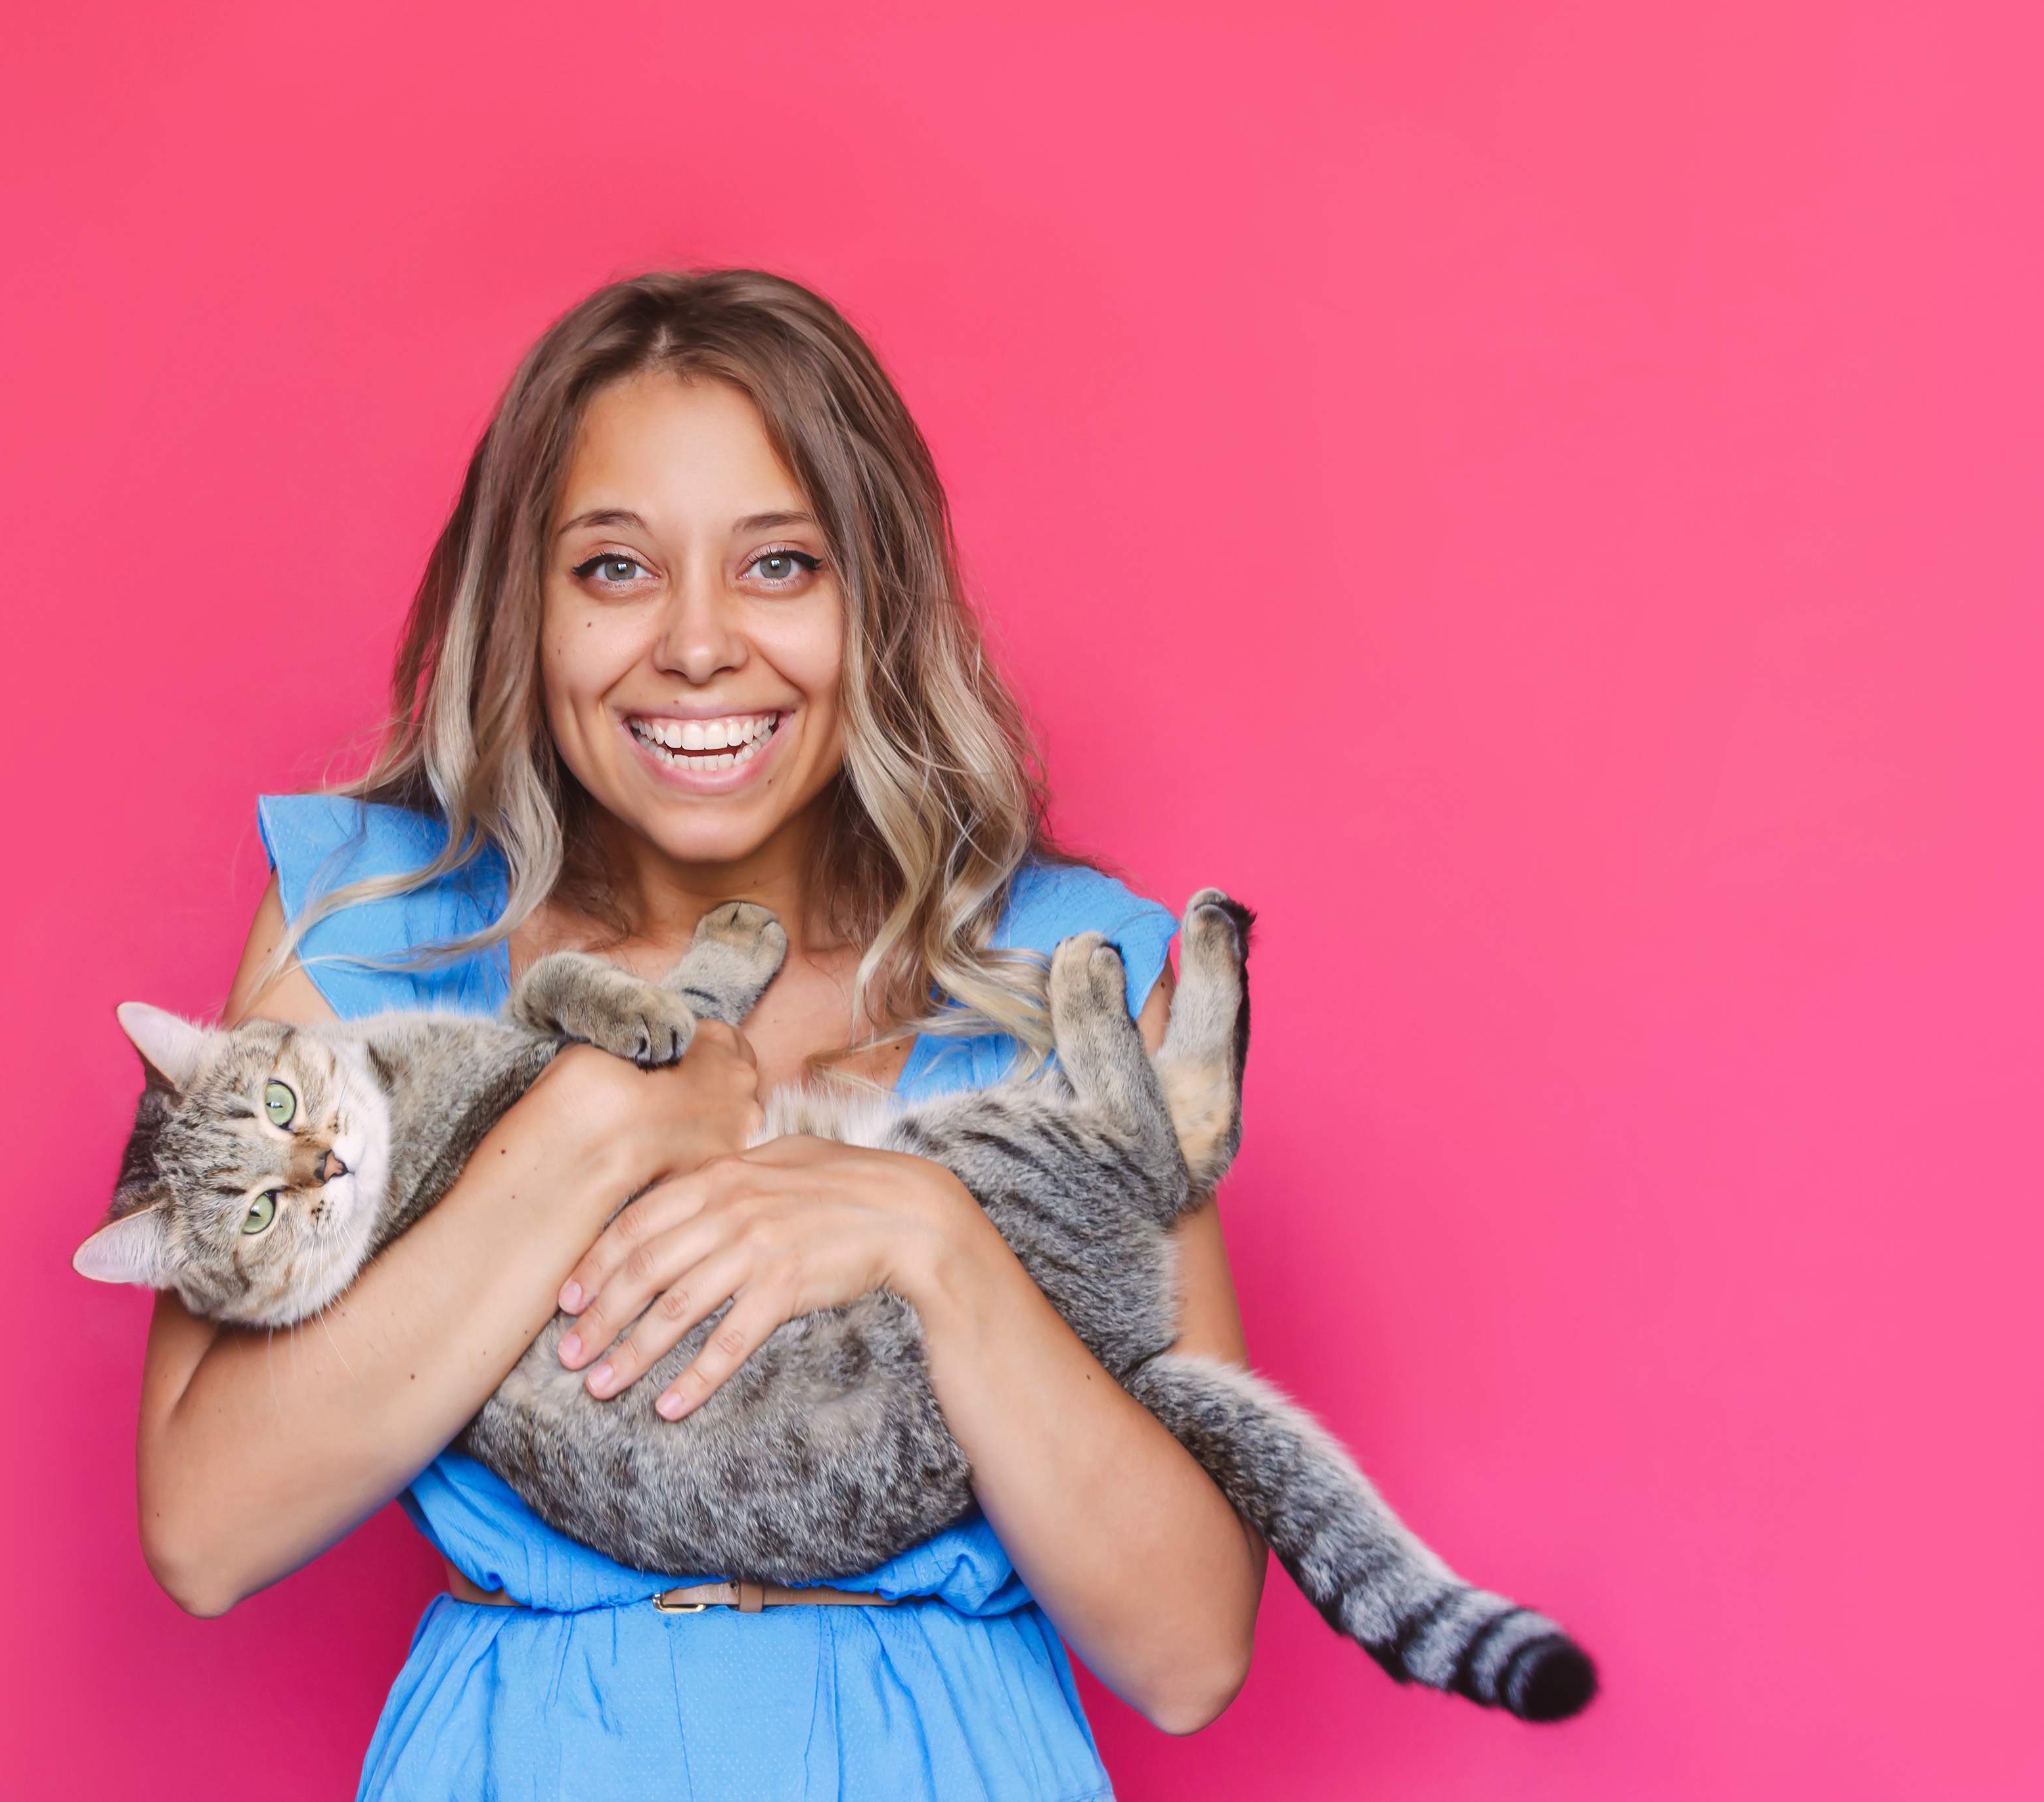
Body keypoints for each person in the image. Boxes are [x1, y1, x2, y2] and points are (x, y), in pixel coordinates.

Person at [132, 269, 1266, 1799]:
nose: (697, 644)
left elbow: (1192, 1651)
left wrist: (934, 1238)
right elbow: (206, 1527)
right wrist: (583, 1139)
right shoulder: (374, 928)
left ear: (879, 596)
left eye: (780, 564)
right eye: (613, 569)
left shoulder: (1062, 971)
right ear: (521, 607)